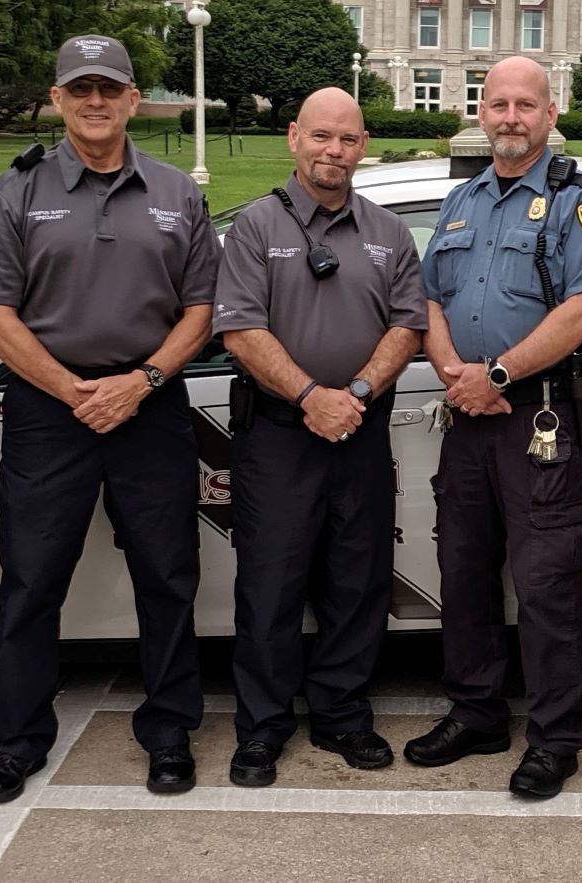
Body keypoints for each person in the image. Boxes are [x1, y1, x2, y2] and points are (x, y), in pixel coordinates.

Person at [0, 35, 218, 803]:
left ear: (134, 99)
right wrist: (73, 390)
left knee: (167, 575)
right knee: (33, 578)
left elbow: (201, 311)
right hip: (49, 409)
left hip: (149, 403)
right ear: (58, 99)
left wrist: (139, 381)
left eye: (110, 88)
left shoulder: (176, 191)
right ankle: (16, 736)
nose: (95, 101)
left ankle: (169, 728)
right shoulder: (20, 189)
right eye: (80, 90)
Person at [404, 55, 582, 800]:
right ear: (481, 110)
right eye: (496, 103)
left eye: (522, 104)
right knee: (462, 571)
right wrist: (454, 376)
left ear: (549, 112)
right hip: (468, 415)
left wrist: (494, 375)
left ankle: (555, 738)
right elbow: (428, 298)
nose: (508, 116)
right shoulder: (463, 198)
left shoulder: (578, 203)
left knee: (545, 585)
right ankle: (475, 712)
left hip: (539, 417)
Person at [211, 88, 427, 787]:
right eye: (320, 137)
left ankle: (340, 712)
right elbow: (240, 328)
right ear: (293, 137)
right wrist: (309, 396)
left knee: (356, 579)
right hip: (277, 434)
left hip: (359, 430)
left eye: (347, 139)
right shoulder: (253, 226)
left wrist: (355, 393)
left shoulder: (388, 232)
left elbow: (407, 324)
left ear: (362, 145)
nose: (333, 150)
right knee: (269, 582)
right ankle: (262, 725)